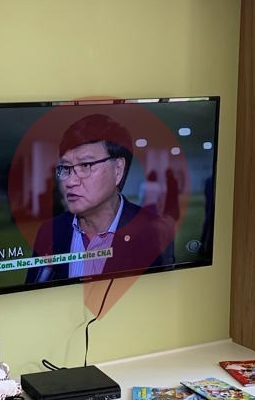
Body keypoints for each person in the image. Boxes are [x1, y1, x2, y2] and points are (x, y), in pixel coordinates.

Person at [25, 113, 175, 285]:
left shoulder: (155, 234)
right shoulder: (49, 232)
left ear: (118, 170)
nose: (70, 181)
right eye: (66, 168)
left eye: (85, 165)